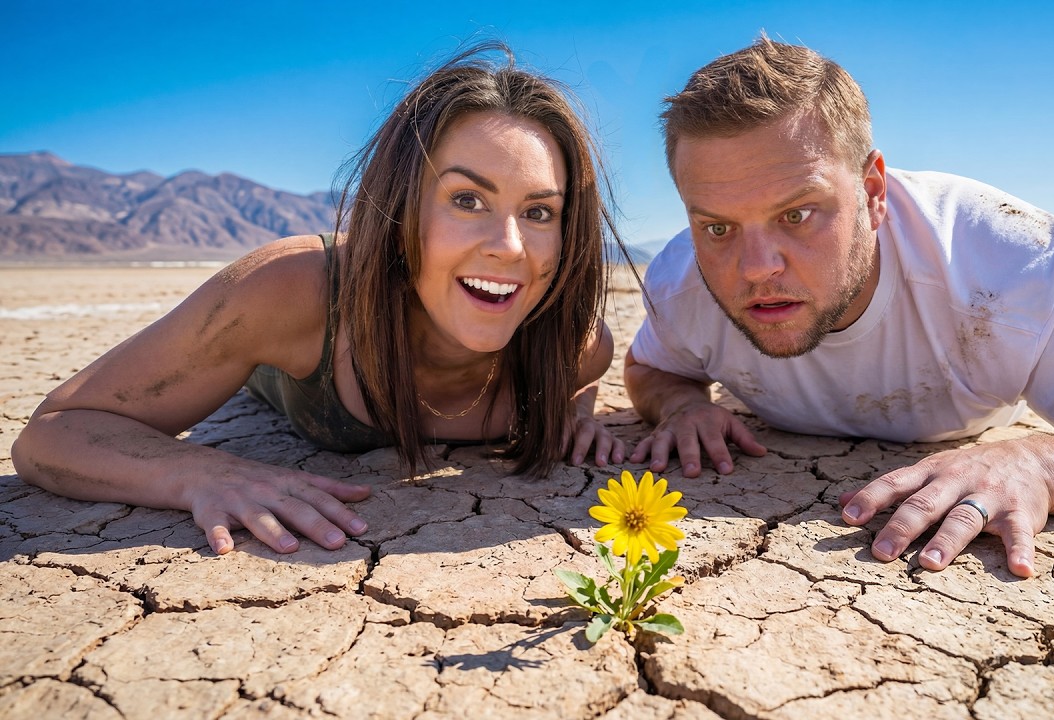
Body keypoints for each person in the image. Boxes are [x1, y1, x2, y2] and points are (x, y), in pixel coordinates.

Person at [624, 36, 1054, 578]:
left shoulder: (1008, 263)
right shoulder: (684, 280)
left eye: (796, 214)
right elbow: (653, 367)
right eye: (717, 226)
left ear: (873, 192)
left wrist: (1035, 463)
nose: (754, 267)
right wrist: (681, 406)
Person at [13, 42, 632, 556]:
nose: (509, 247)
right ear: (398, 207)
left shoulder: (574, 347)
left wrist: (573, 411)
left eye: (539, 211)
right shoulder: (294, 289)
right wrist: (203, 472)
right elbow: (53, 434)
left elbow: (581, 380)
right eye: (467, 200)